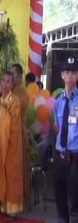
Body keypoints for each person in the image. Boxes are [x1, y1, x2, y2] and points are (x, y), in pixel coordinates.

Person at [0, 72, 24, 221]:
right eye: (3, 81)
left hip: (12, 144)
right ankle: (3, 206)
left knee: (11, 175)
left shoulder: (15, 100)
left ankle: (13, 210)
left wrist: (0, 106)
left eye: (8, 81)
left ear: (12, 84)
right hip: (2, 143)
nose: (5, 84)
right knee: (2, 172)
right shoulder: (2, 98)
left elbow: (11, 122)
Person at [53, 56, 78, 223]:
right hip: (60, 154)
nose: (70, 75)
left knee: (75, 197)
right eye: (67, 72)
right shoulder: (58, 101)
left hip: (75, 156)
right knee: (59, 195)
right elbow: (57, 126)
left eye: (73, 72)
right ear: (62, 75)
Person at [10, 63, 31, 207]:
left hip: (18, 134)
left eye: (13, 75)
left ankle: (18, 202)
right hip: (7, 134)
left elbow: (16, 113)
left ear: (19, 76)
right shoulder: (10, 91)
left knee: (17, 170)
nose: (10, 78)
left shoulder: (22, 92)